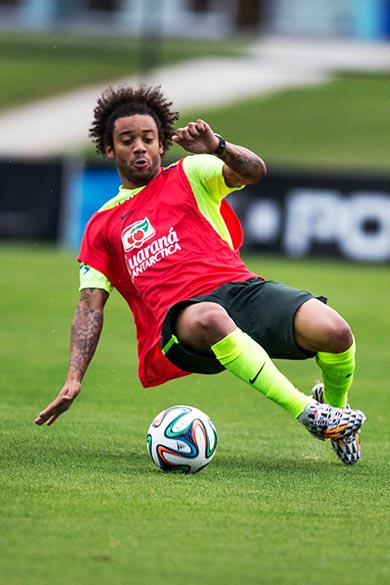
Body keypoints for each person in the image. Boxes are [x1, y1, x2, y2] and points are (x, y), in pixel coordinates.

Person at [35, 84, 366, 464]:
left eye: (148, 138)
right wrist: (74, 377)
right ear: (110, 149)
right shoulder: (102, 224)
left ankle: (337, 415)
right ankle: (307, 412)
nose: (139, 147)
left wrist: (218, 147)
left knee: (336, 333)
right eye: (127, 141)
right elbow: (90, 305)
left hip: (242, 290)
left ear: (162, 144)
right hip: (182, 322)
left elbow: (254, 172)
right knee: (211, 316)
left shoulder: (191, 172)